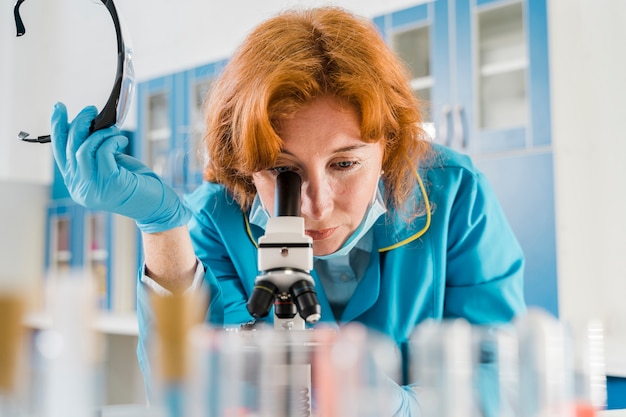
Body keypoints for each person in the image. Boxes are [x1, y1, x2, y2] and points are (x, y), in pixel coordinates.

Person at [50, 6, 526, 416]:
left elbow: (502, 380)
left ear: (391, 143)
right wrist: (162, 227)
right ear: (244, 164)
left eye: (345, 163)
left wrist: (398, 408)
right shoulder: (216, 219)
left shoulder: (453, 193)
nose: (315, 205)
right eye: (283, 171)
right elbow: (186, 393)